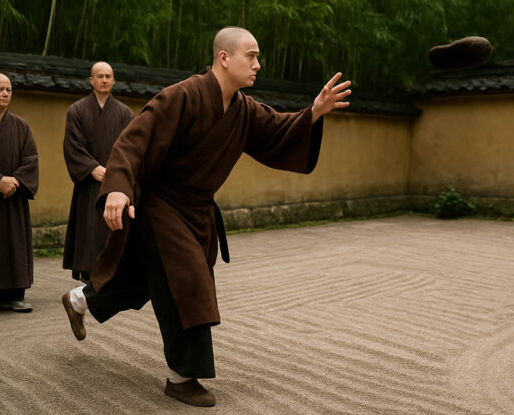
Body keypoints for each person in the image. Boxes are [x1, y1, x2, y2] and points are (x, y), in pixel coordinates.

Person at [61, 27, 350, 406]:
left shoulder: (243, 110)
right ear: (224, 57)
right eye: (252, 55)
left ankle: (80, 300)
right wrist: (117, 186)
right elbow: (134, 140)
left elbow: (279, 130)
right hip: (161, 205)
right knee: (190, 282)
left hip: (196, 211)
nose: (258, 64)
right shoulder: (182, 96)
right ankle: (182, 377)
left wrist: (313, 112)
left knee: (142, 281)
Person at [63, 62, 134, 283]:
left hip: (115, 183)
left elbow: (132, 147)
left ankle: (115, 273)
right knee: (89, 228)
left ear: (114, 81)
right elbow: (72, 146)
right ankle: (88, 273)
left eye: (108, 76)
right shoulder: (77, 110)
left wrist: (115, 172)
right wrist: (92, 168)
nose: (104, 80)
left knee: (113, 227)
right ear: (91, 80)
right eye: (99, 76)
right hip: (89, 182)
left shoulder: (124, 113)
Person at [0, 73, 39, 317]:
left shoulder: (21, 125)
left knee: (13, 242)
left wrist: (15, 181)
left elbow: (31, 159)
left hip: (13, 198)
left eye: (8, 89)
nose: (5, 93)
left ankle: (15, 295)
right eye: (0, 89)